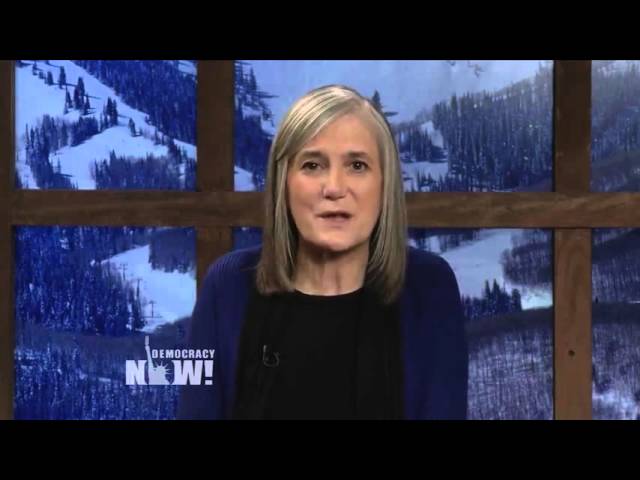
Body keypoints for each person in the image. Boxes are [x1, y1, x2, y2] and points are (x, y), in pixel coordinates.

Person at [177, 85, 467, 420]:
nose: (334, 188)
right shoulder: (227, 286)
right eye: (313, 165)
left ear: (385, 185)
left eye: (357, 165)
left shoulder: (429, 287)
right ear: (284, 183)